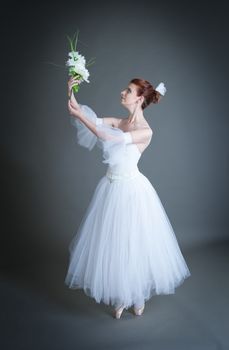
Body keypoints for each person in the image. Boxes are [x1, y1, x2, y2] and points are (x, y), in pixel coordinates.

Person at [64, 77, 191, 319]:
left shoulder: (145, 131)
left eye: (129, 90)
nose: (122, 92)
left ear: (139, 98)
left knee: (133, 244)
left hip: (133, 193)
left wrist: (81, 117)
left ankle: (137, 295)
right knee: (114, 244)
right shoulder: (120, 121)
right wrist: (70, 90)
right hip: (111, 188)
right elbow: (83, 114)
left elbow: (109, 138)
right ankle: (122, 295)